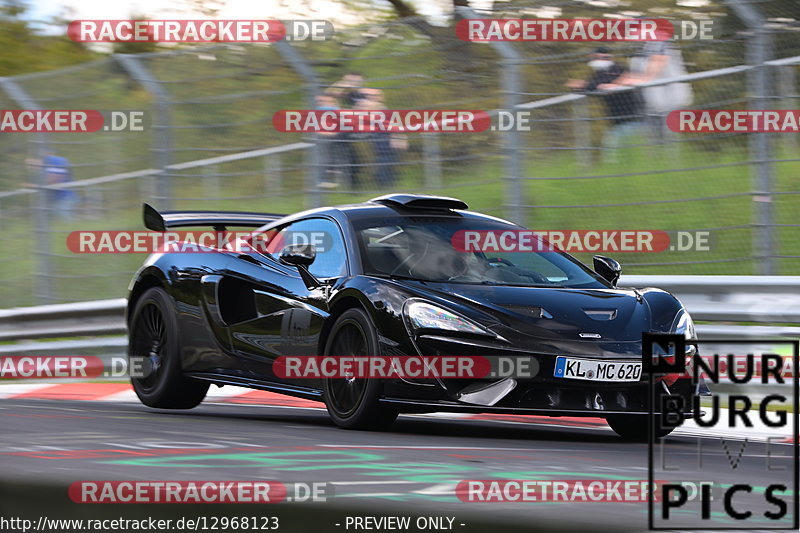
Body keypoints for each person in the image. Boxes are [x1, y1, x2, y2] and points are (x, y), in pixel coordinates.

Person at [566, 47, 645, 163]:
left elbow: (603, 84)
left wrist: (587, 85)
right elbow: (592, 87)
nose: (594, 61)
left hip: (634, 119)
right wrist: (582, 86)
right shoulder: (598, 74)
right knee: (615, 155)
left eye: (596, 57)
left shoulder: (618, 69)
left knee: (634, 151)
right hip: (616, 122)